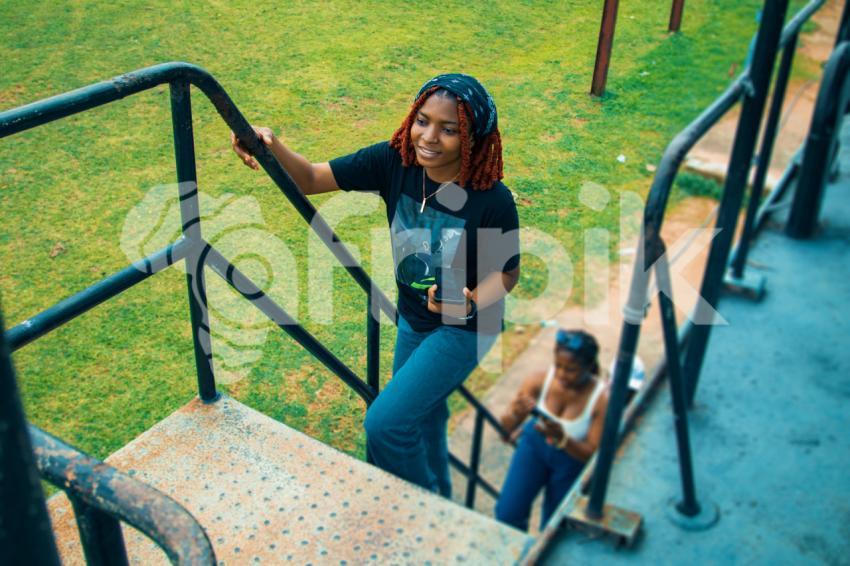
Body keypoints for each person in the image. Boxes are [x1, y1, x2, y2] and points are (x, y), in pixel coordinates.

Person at [231, 74, 521, 498]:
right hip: (414, 319)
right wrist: (268, 144)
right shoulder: (395, 162)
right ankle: (441, 493)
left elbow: (508, 274)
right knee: (423, 415)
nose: (430, 137)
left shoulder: (490, 198)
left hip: (467, 327)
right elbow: (311, 178)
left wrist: (472, 299)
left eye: (450, 128)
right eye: (423, 121)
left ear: (473, 136)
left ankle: (428, 511)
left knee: (386, 423)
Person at [495, 329, 609, 531]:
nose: (562, 375)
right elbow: (504, 432)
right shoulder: (539, 381)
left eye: (571, 369)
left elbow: (592, 455)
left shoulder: (600, 400)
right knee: (507, 513)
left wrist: (562, 438)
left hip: (571, 460)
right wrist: (515, 414)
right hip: (534, 447)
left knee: (555, 527)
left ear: (589, 367)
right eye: (558, 366)